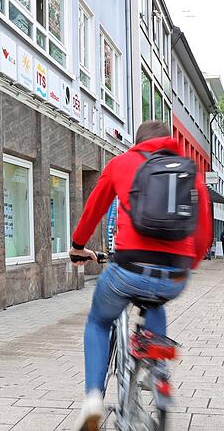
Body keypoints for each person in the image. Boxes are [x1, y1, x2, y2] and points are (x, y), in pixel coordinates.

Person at [69, 121, 212, 431]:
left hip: (128, 268)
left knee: (98, 321)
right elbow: (203, 233)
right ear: (168, 142)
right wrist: (186, 267)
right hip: (175, 274)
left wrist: (78, 246)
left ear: (137, 142)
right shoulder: (189, 171)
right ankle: (156, 367)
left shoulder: (121, 164)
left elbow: (93, 210)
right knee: (155, 300)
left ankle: (93, 398)